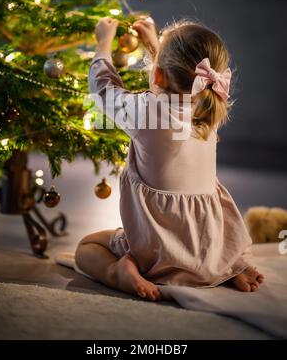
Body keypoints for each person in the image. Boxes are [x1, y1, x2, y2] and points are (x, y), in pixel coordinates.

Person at [75, 17, 264, 301]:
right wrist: (156, 48)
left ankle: (119, 273)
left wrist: (103, 43)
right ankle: (226, 266)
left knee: (87, 248)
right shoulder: (208, 106)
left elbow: (103, 92)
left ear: (159, 75)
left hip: (158, 251)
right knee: (204, 248)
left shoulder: (145, 112)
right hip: (209, 246)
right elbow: (174, 82)